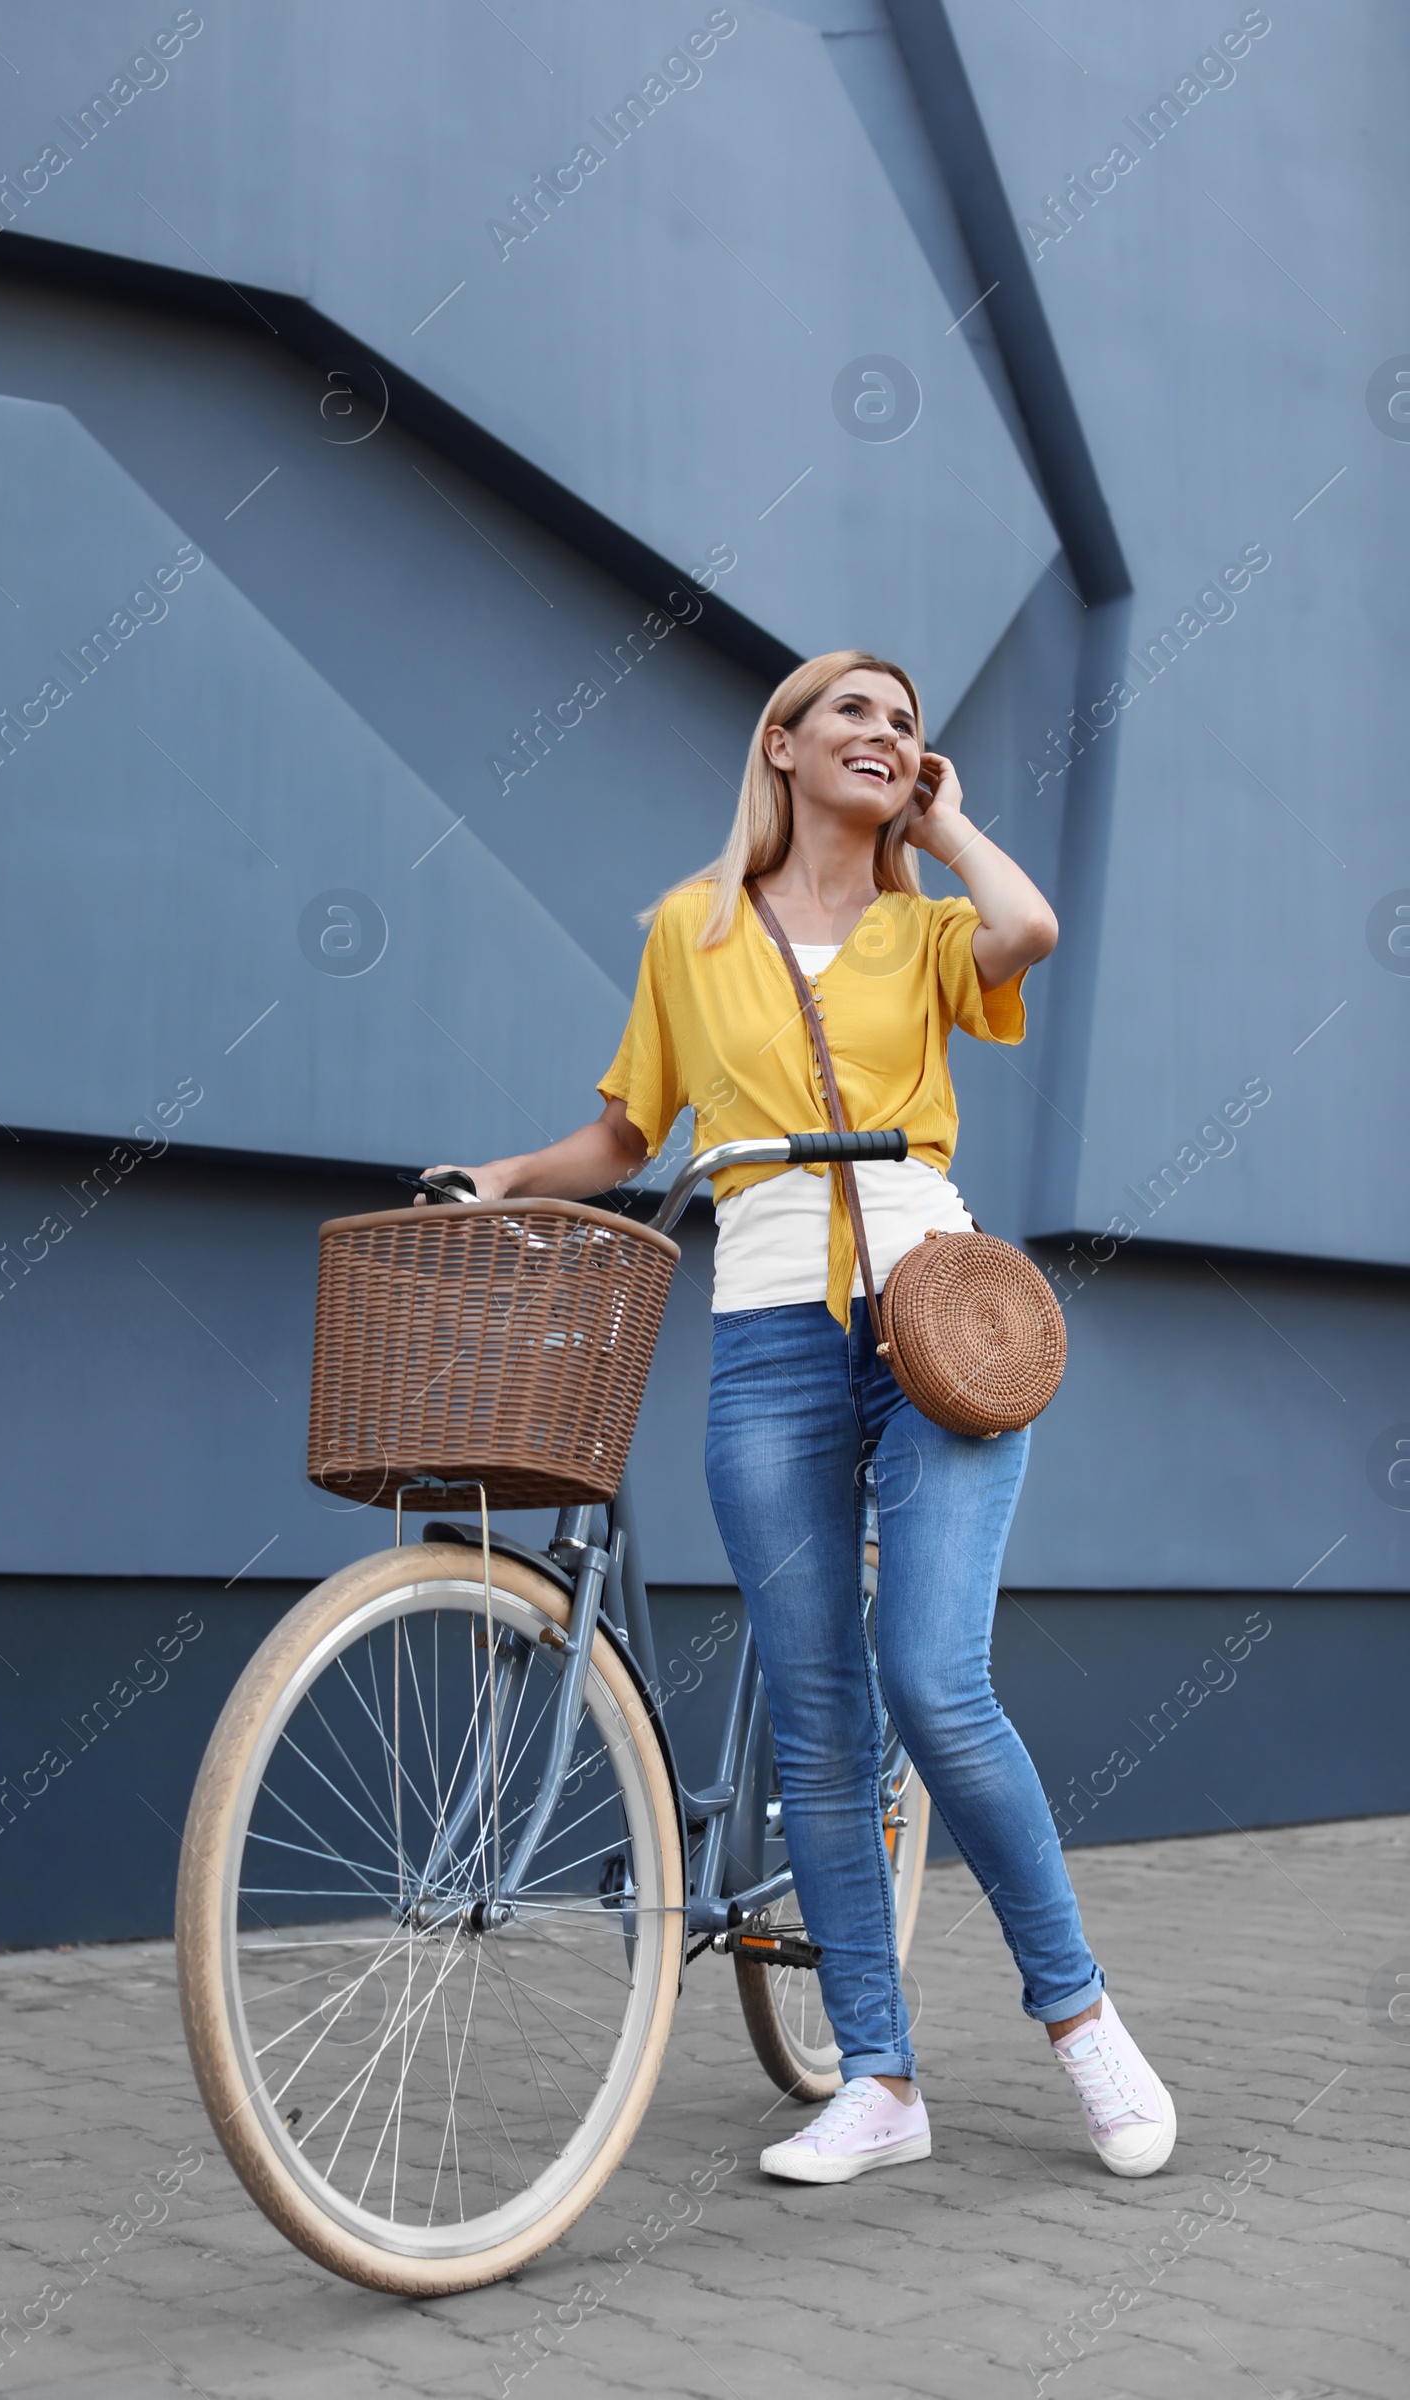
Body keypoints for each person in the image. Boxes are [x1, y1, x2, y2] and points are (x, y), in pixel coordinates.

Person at [423, 650, 1176, 2185]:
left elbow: (1032, 929)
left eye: (908, 726)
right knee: (818, 1726)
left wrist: (950, 824)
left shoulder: (930, 925)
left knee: (933, 1682)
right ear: (781, 741)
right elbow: (631, 1129)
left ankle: (1083, 2019)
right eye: (857, 713)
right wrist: (501, 1177)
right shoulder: (687, 938)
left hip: (934, 1326)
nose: (888, 737)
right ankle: (881, 2084)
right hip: (766, 1335)